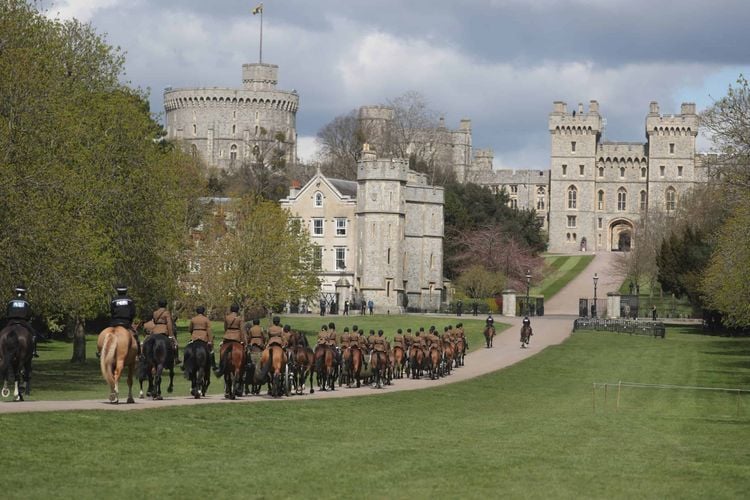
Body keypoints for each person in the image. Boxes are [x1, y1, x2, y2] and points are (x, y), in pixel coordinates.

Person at [6, 284, 40, 358]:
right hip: (23, 321)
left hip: (11, 321)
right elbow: (29, 313)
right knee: (34, 334)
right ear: (24, 293)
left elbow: (7, 312)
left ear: (16, 292)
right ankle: (34, 351)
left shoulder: (11, 301)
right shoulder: (26, 302)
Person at [108, 284, 139, 358]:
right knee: (135, 336)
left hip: (115, 322)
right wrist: (131, 320)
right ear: (126, 291)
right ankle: (139, 353)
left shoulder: (114, 300)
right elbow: (133, 312)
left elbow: (111, 311)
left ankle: (101, 351)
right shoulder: (129, 300)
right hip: (126, 322)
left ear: (117, 292)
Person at [152, 299, 179, 364]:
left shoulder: (155, 313)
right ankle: (176, 358)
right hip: (164, 330)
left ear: (158, 305)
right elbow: (169, 324)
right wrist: (171, 335)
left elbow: (154, 322)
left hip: (155, 330)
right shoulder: (167, 312)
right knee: (175, 344)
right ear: (166, 305)